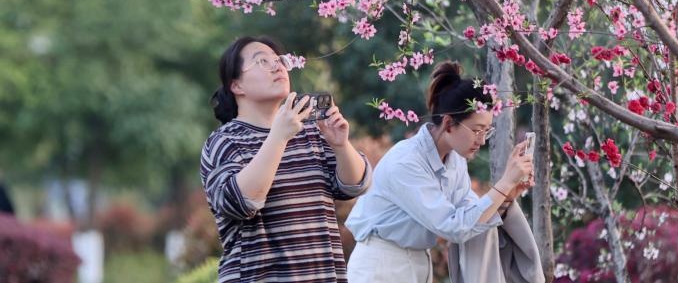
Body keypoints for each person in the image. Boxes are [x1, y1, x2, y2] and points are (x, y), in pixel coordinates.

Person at [345, 61, 535, 283]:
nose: (481, 140)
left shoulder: (455, 160)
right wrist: (503, 184)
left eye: (487, 131)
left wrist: (508, 194)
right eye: (476, 130)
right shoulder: (406, 162)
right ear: (449, 123)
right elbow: (453, 227)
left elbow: (471, 215)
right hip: (382, 265)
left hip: (418, 263)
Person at [200, 36, 371, 283]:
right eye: (261, 61)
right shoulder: (224, 141)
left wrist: (341, 145)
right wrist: (279, 136)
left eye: (279, 60)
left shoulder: (311, 131)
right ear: (237, 86)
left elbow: (356, 185)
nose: (276, 66)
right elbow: (240, 203)